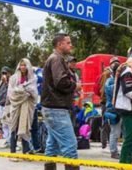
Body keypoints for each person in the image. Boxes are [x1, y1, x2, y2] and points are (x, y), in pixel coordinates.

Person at [41, 33, 81, 170]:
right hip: (56, 108)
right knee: (70, 145)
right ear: (60, 44)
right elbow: (61, 82)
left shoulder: (55, 59)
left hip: (53, 107)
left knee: (52, 145)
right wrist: (75, 85)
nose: (71, 45)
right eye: (68, 43)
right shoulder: (56, 59)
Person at [8, 58, 37, 156]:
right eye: (21, 65)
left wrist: (23, 90)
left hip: (27, 106)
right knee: (14, 127)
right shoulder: (13, 78)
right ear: (19, 66)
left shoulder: (32, 79)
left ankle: (25, 152)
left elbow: (34, 92)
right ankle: (13, 152)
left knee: (25, 127)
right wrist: (23, 92)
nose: (23, 67)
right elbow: (11, 92)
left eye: (25, 65)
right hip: (16, 106)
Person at [0, 66, 12, 148]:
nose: (4, 75)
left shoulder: (11, 81)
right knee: (4, 124)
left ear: (9, 73)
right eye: (3, 73)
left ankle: (11, 140)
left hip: (8, 105)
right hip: (0, 105)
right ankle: (7, 139)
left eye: (5, 73)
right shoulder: (0, 83)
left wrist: (7, 82)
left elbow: (13, 91)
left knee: (9, 123)